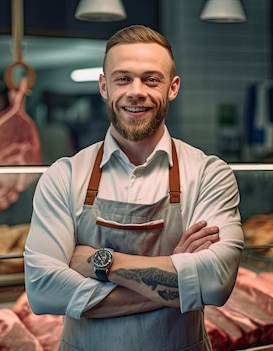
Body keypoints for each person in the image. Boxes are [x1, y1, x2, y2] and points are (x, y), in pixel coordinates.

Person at [24, 25, 244, 351]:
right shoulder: (64, 175)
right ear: (104, 86)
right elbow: (43, 291)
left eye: (151, 79)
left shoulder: (210, 173)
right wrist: (177, 273)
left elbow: (214, 284)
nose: (136, 91)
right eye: (123, 78)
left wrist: (101, 262)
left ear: (173, 87)